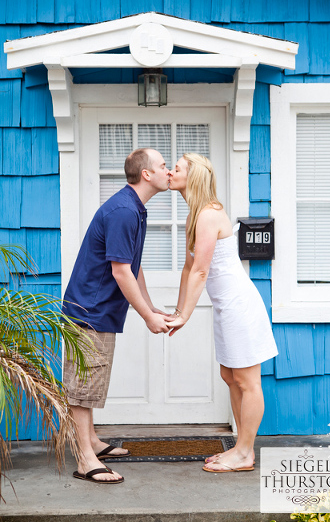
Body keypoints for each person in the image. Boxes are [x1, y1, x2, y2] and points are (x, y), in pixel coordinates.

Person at [62, 148, 171, 484]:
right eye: (164, 165)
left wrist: (150, 307)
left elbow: (133, 267)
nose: (169, 171)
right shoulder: (125, 210)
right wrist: (146, 318)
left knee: (90, 381)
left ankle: (92, 440)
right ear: (147, 174)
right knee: (83, 386)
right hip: (89, 311)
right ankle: (85, 459)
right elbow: (121, 272)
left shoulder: (135, 208)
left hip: (99, 310)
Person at [165, 153, 278, 473]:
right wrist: (177, 311)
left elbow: (201, 272)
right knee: (230, 376)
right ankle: (241, 449)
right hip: (227, 308)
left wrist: (185, 317)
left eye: (177, 168)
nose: (171, 172)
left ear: (194, 177)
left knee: (247, 380)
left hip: (239, 307)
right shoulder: (195, 214)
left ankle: (244, 452)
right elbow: (188, 269)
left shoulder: (209, 215)